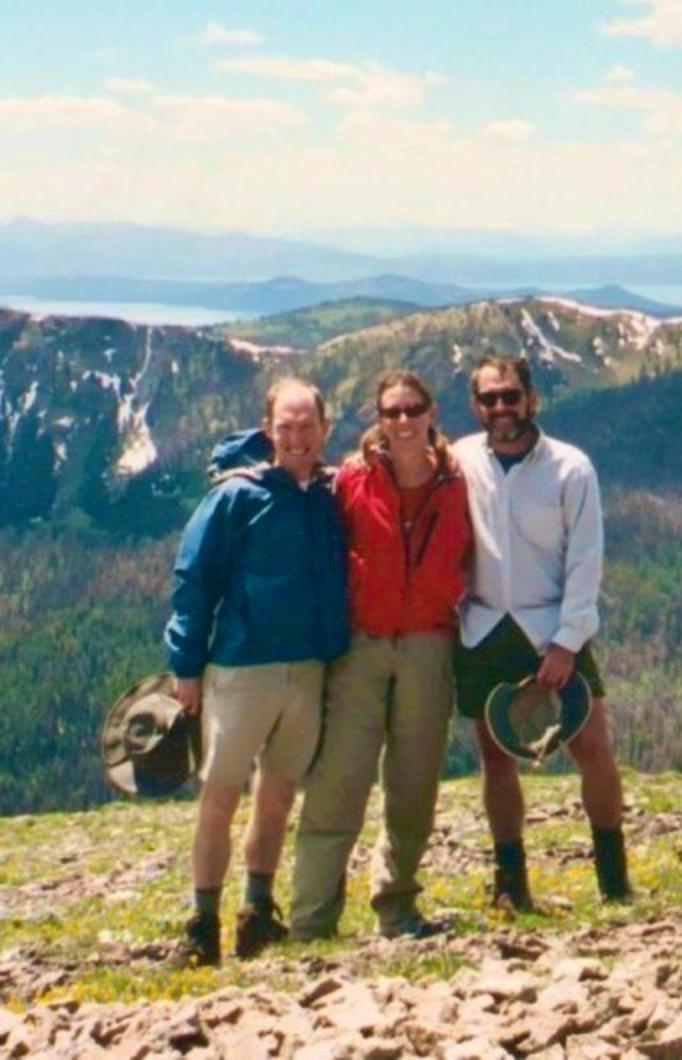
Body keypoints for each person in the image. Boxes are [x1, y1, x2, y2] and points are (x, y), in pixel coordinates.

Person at [165, 377, 349, 968]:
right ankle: (201, 923)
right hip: (241, 668)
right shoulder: (235, 497)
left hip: (309, 667)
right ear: (268, 431)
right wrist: (186, 666)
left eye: (307, 427)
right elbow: (195, 581)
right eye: (285, 428)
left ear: (325, 429)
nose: (297, 438)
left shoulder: (329, 493)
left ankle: (257, 912)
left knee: (277, 795)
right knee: (220, 796)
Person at [291, 371, 472, 941]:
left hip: (428, 644)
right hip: (362, 645)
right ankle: (312, 920)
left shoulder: (460, 483)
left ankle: (396, 908)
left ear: (431, 411)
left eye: (411, 409)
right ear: (378, 417)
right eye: (390, 411)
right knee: (339, 780)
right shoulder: (352, 478)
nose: (402, 421)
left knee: (414, 783)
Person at [451, 354, 631, 911]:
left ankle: (614, 880)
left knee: (593, 748)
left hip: (552, 624)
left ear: (532, 399)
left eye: (511, 396)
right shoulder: (458, 460)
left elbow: (586, 558)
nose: (501, 407)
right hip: (482, 627)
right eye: (489, 398)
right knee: (496, 759)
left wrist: (567, 641)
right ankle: (511, 887)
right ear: (475, 406)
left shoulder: (570, 468)